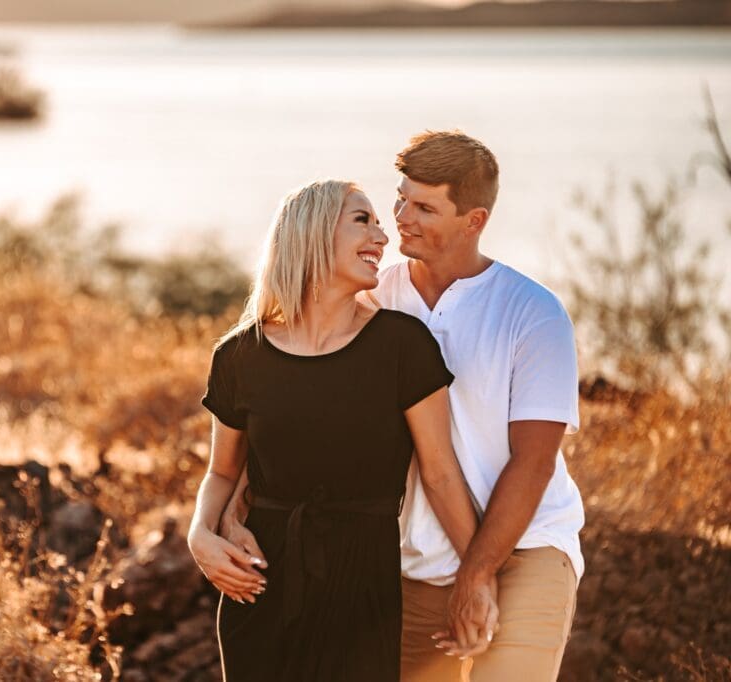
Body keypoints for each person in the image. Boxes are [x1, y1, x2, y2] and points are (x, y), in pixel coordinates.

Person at [221, 131, 584, 681]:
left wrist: (479, 572)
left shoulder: (532, 313)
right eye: (401, 199)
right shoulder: (371, 296)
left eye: (424, 207)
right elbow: (299, 404)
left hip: (525, 550)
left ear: (474, 220)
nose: (401, 219)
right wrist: (229, 510)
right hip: (411, 559)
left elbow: (533, 462)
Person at [186, 179, 494, 681]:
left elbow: (440, 476)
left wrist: (480, 580)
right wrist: (200, 535)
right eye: (362, 220)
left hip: (363, 591)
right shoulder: (240, 356)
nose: (382, 237)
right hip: (259, 587)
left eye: (378, 223)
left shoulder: (402, 347)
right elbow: (222, 473)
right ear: (311, 232)